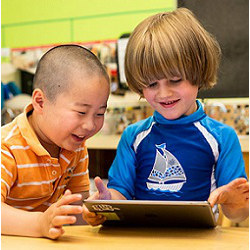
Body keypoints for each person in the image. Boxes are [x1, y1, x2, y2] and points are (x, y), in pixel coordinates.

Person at [83, 8, 249, 226]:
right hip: (142, 239)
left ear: (198, 72)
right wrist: (104, 204)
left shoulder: (222, 138)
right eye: (151, 84)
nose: (163, 93)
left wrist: (235, 202)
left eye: (175, 80)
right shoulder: (133, 137)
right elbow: (120, 194)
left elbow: (238, 214)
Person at [1, 44, 110, 238]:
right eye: (81, 112)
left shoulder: (75, 147)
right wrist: (39, 224)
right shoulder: (7, 147)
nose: (90, 125)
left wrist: (90, 213)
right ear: (40, 102)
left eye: (100, 113)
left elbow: (73, 210)